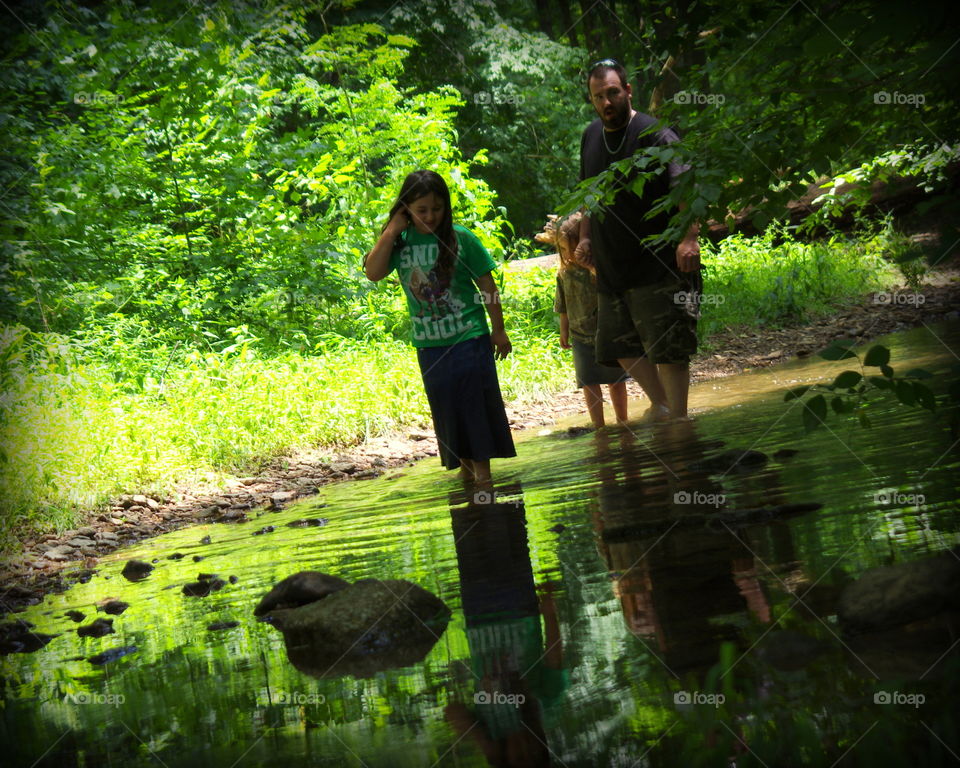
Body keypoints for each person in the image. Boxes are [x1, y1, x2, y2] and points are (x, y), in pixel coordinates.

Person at [364, 169, 515, 482]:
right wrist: (391, 232)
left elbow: (487, 286)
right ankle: (467, 479)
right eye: (421, 210)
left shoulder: (461, 238)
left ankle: (483, 480)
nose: (430, 216)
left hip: (470, 339)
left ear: (446, 207)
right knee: (448, 412)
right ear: (405, 209)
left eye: (436, 208)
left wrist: (498, 329)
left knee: (475, 410)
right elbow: (373, 273)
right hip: (430, 346)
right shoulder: (400, 243)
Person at [576, 58, 701, 419]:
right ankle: (663, 406)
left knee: (668, 350)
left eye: (613, 92)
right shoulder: (590, 136)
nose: (607, 102)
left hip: (659, 265)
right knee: (618, 345)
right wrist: (585, 237)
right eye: (598, 96)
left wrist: (689, 238)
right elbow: (588, 193)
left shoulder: (655, 133)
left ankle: (679, 420)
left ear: (628, 91)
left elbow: (686, 184)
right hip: (612, 268)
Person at [551, 211, 629, 428]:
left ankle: (623, 421)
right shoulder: (564, 274)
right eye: (562, 250)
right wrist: (564, 330)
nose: (566, 255)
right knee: (589, 382)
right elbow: (563, 306)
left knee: (616, 380)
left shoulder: (599, 267)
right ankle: (599, 426)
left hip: (606, 332)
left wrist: (591, 267)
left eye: (568, 248)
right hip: (580, 337)